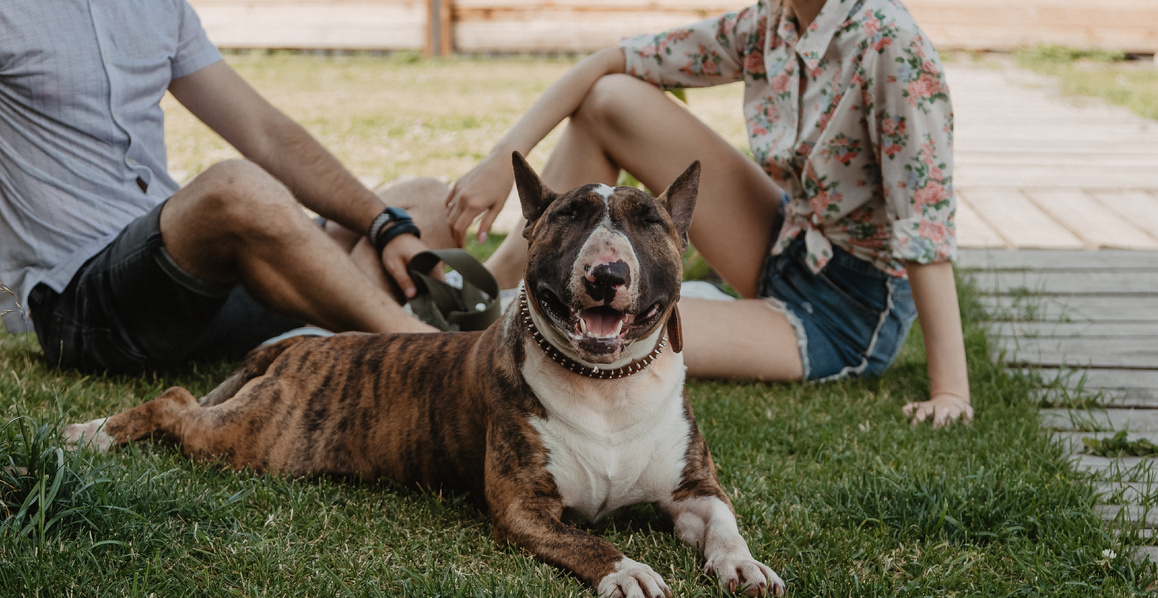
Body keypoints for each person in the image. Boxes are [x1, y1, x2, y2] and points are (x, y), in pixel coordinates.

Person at [445, 0, 974, 427]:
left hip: (847, 307)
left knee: (607, 332)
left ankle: (482, 310)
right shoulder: (772, 19)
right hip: (785, 237)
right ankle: (483, 285)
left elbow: (923, 225)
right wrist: (501, 159)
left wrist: (950, 390)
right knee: (611, 99)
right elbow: (611, 61)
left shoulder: (891, 43)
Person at [0, 0, 452, 375]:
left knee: (427, 203)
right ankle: (434, 357)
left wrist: (385, 226)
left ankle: (330, 349)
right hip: (86, 310)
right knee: (232, 189)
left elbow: (264, 131)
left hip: (194, 286)